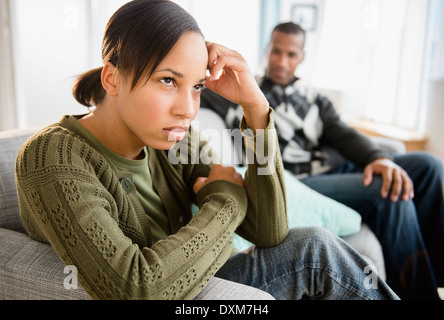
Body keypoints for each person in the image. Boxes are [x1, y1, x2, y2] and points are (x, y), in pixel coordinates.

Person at [15, 1, 398, 300]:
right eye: (168, 80)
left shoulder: (173, 140)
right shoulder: (52, 157)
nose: (188, 108)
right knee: (317, 253)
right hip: (175, 292)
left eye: (197, 86)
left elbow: (270, 231)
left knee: (313, 244)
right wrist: (226, 200)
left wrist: (256, 111)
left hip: (202, 282)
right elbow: (136, 289)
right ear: (112, 77)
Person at [200, 22, 444, 300]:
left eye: (291, 54)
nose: (281, 61)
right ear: (267, 49)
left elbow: (342, 134)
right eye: (276, 51)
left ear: (301, 57)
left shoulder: (313, 98)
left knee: (428, 166)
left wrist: (378, 158)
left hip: (333, 169)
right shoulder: (241, 89)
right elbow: (196, 86)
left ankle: (436, 276)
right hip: (300, 182)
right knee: (389, 191)